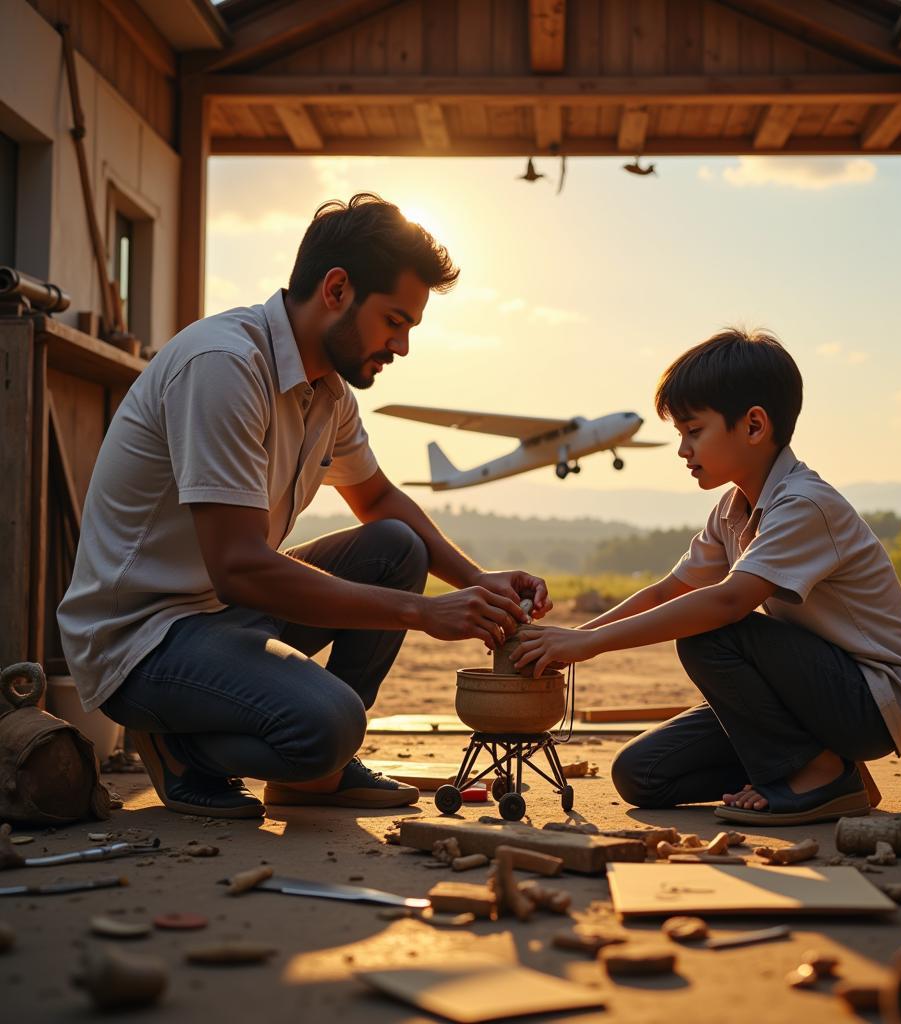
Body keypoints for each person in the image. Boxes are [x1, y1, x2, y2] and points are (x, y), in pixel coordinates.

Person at [57, 194, 550, 819]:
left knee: (397, 545)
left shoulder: (329, 392)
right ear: (337, 289)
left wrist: (478, 581)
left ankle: (309, 772)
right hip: (145, 642)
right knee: (330, 725)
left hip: (225, 614)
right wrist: (425, 612)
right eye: (394, 321)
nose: (401, 347)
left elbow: (377, 498)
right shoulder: (225, 365)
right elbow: (239, 565)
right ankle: (184, 750)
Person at [515, 328, 901, 825]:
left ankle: (819, 775)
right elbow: (670, 591)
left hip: (870, 702)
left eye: (694, 431)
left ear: (754, 425)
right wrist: (572, 639)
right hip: (808, 701)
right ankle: (829, 771)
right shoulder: (732, 509)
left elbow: (727, 603)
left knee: (708, 635)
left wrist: (590, 646)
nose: (682, 449)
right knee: (642, 775)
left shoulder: (804, 504)